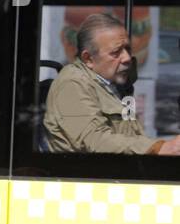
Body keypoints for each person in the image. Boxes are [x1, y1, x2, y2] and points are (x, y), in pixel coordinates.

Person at [44, 12, 180, 155]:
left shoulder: (115, 85)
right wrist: (159, 148)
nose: (127, 58)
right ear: (88, 58)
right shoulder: (72, 83)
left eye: (127, 49)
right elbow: (95, 140)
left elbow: (131, 136)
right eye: (116, 52)